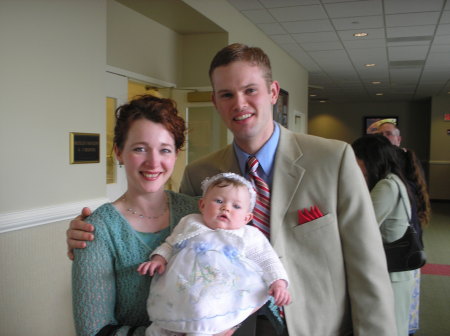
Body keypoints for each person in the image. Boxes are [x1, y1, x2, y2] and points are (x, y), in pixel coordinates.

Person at [68, 43, 396, 335]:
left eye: (250, 90)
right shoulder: (201, 176)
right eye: (226, 94)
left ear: (272, 92)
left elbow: (367, 267)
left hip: (314, 324)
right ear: (215, 101)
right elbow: (186, 246)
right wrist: (85, 235)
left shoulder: (332, 159)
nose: (239, 103)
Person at [71, 95, 200, 336]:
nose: (153, 162)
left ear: (176, 154)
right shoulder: (98, 229)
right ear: (119, 152)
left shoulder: (196, 213)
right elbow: (94, 331)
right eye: (140, 148)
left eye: (165, 150)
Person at [138, 172, 291, 336]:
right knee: (162, 324)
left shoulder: (248, 234)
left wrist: (279, 283)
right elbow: (170, 243)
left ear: (247, 218)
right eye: (219, 201)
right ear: (202, 205)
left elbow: (268, 259)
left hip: (218, 295)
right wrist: (159, 259)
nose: (226, 208)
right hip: (180, 290)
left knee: (206, 324)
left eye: (236, 206)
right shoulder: (190, 222)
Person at [352, 134, 416, 336]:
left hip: (392, 272)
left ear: (370, 158)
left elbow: (359, 226)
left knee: (390, 327)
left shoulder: (386, 186)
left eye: (357, 159)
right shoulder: (395, 180)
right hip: (395, 272)